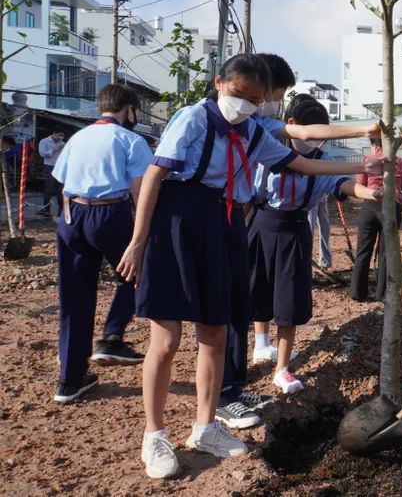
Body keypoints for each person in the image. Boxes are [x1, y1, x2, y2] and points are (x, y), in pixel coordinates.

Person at [115, 54, 381, 479]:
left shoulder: (253, 131)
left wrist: (360, 166)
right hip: (179, 222)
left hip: (226, 225)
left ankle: (205, 428)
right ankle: (155, 435)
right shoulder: (192, 119)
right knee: (165, 339)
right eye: (239, 95)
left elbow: (301, 163)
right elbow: (153, 177)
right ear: (220, 83)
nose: (246, 105)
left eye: (256, 100)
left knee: (216, 332)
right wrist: (139, 240)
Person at [249, 98, 381, 394]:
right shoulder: (270, 145)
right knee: (258, 288)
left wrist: (372, 194)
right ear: (294, 127)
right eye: (314, 132)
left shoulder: (326, 161)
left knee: (289, 300)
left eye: (323, 134)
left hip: (295, 229)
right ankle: (261, 345)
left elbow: (344, 184)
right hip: (263, 222)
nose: (317, 140)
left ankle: (282, 368)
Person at [50, 84, 151, 404]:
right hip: (110, 213)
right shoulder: (131, 140)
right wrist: (141, 237)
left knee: (74, 297)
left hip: (72, 215)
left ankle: (70, 379)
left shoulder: (77, 137)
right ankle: (111, 336)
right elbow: (140, 192)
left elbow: (61, 182)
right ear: (129, 110)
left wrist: (68, 215)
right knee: (141, 272)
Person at [351, 138, 402, 302]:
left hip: (370, 204)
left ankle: (358, 293)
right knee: (386, 252)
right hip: (392, 206)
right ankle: (382, 294)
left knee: (363, 250)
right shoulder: (401, 162)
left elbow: (360, 184)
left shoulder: (367, 160)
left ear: (374, 145)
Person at [38, 127, 66, 216]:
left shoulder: (62, 143)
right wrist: (55, 150)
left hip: (60, 167)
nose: (61, 137)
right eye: (59, 135)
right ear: (54, 133)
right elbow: (42, 154)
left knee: (60, 190)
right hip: (49, 166)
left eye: (62, 136)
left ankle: (61, 210)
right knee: (48, 189)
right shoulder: (44, 141)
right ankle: (46, 209)